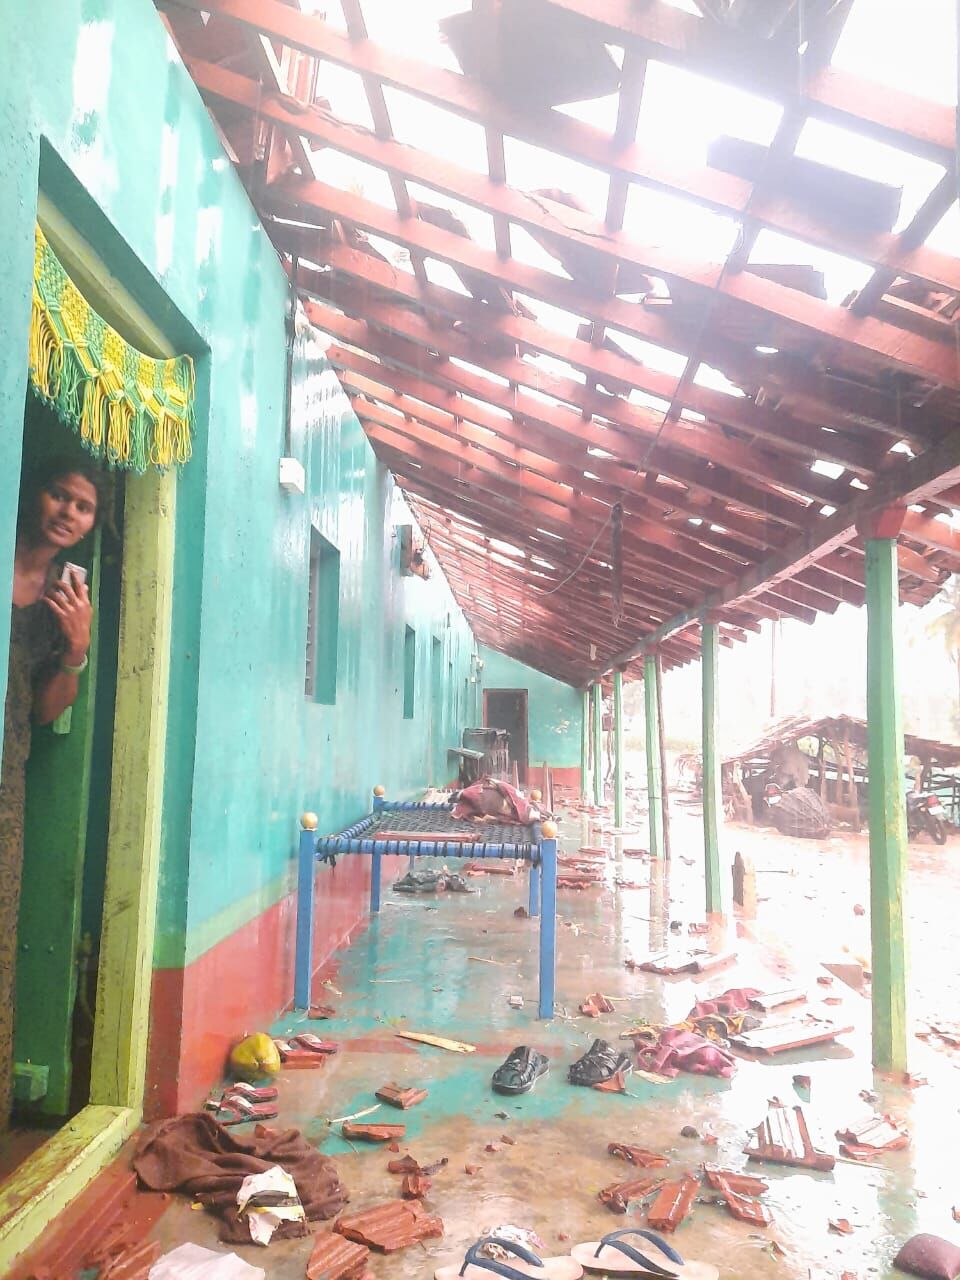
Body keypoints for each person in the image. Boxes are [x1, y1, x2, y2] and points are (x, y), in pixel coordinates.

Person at [0, 455, 105, 1125]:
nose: (68, 511)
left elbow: (44, 711)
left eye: (83, 506)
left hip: (6, 777)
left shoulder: (64, 599)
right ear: (34, 494)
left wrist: (75, 648)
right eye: (58, 495)